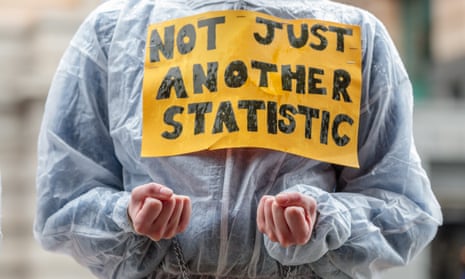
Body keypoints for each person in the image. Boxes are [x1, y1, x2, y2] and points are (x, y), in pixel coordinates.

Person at [33, 0, 442, 278]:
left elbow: (404, 209)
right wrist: (127, 216)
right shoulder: (113, 33)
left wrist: (325, 222)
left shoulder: (357, 38)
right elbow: (63, 205)